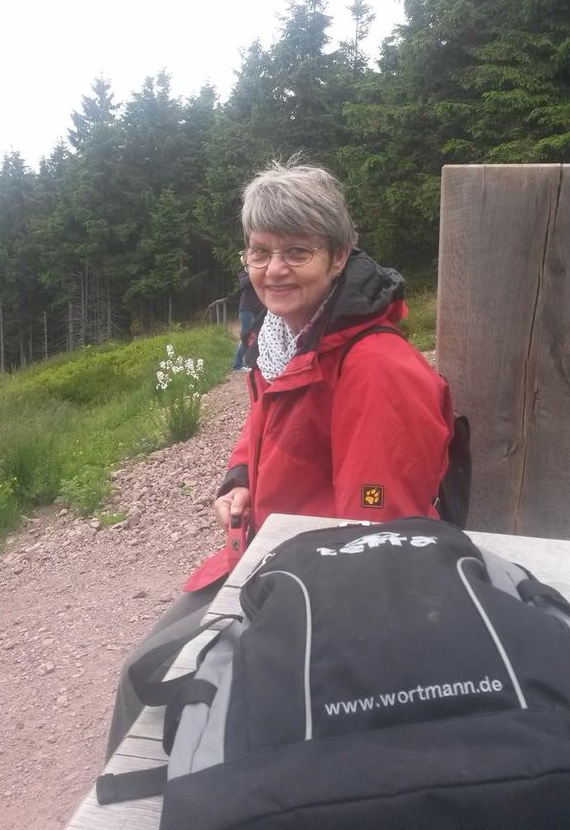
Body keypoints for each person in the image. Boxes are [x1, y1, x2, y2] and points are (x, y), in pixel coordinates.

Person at [105, 159, 453, 759]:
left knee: (152, 683)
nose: (273, 270)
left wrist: (283, 623)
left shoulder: (374, 368)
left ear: (338, 256)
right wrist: (240, 474)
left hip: (320, 587)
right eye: (259, 252)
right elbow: (265, 419)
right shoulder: (286, 335)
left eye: (297, 251)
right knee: (145, 671)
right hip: (267, 554)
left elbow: (379, 525)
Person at [232, 270, 262, 371]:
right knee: (247, 337)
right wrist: (255, 273)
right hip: (246, 310)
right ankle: (237, 365)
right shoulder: (243, 274)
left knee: (258, 337)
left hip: (259, 310)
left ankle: (254, 363)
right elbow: (244, 283)